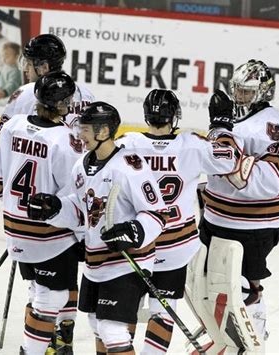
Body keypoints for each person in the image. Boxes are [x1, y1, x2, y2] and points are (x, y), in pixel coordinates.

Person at [26, 101, 168, 354]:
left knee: (112, 329)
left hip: (127, 261)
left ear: (103, 132)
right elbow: (81, 212)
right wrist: (56, 209)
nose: (80, 133)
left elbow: (156, 213)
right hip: (96, 261)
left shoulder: (130, 166)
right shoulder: (81, 166)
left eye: (86, 129)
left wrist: (134, 231)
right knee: (97, 325)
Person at [116, 89, 244, 354]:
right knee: (163, 311)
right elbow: (231, 160)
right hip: (175, 246)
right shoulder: (191, 145)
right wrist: (221, 126)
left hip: (137, 241)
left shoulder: (127, 143)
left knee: (124, 309)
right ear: (174, 116)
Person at [0, 33, 94, 353]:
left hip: (32, 207)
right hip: (72, 199)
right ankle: (60, 337)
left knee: (43, 287)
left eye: (30, 62)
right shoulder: (84, 93)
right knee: (65, 276)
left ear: (44, 65)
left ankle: (42, 340)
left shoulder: (25, 95)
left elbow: (5, 137)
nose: (25, 67)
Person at [198, 59, 279, 347]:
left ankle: (253, 335)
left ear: (263, 93)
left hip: (251, 225)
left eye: (247, 92)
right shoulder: (235, 120)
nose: (239, 96)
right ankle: (223, 334)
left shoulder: (269, 123)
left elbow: (261, 178)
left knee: (243, 288)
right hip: (221, 218)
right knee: (214, 283)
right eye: (237, 90)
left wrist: (219, 131)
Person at [0, 33, 95, 137]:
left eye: (29, 64)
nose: (26, 69)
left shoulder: (26, 93)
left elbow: (3, 133)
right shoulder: (86, 94)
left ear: (44, 67)